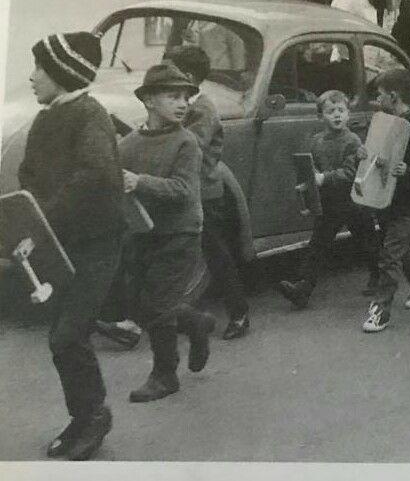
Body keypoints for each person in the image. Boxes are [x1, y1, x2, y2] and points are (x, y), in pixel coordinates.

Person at [20, 31, 124, 460]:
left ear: (63, 73)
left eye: (40, 69)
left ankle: (95, 417)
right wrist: (25, 223)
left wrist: (44, 217)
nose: (31, 78)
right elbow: (28, 177)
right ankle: (82, 417)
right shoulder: (48, 117)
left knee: (67, 336)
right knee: (62, 338)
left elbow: (96, 175)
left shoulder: (88, 115)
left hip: (97, 245)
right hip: (63, 246)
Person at [118, 63, 217, 403]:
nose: (183, 103)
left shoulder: (186, 142)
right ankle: (195, 323)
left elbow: (182, 190)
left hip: (181, 232)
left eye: (186, 97)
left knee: (158, 303)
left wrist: (138, 181)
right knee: (141, 303)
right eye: (173, 96)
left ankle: (165, 374)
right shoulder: (129, 144)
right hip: (143, 232)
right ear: (148, 100)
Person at [165, 45, 251, 339]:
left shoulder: (202, 110)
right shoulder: (184, 106)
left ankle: (239, 313)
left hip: (205, 193)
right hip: (187, 189)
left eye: (172, 73)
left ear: (188, 77)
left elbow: (193, 150)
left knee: (216, 254)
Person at [277, 90, 379, 308]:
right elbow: (312, 169)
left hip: (353, 201)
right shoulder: (316, 141)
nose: (337, 115)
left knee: (368, 241)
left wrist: (323, 178)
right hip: (330, 203)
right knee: (317, 246)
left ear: (348, 115)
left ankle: (379, 276)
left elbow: (350, 173)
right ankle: (303, 288)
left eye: (341, 110)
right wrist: (310, 181)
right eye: (331, 111)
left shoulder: (352, 140)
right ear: (320, 116)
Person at [362, 69, 410, 333]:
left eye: (380, 96)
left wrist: (409, 172)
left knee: (389, 255)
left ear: (393, 97)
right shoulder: (386, 124)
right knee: (397, 250)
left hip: (409, 205)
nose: (377, 101)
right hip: (386, 199)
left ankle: (381, 310)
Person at [180, 0, 247, 74]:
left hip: (222, 81)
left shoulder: (228, 16)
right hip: (195, 79)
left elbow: (239, 60)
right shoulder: (193, 15)